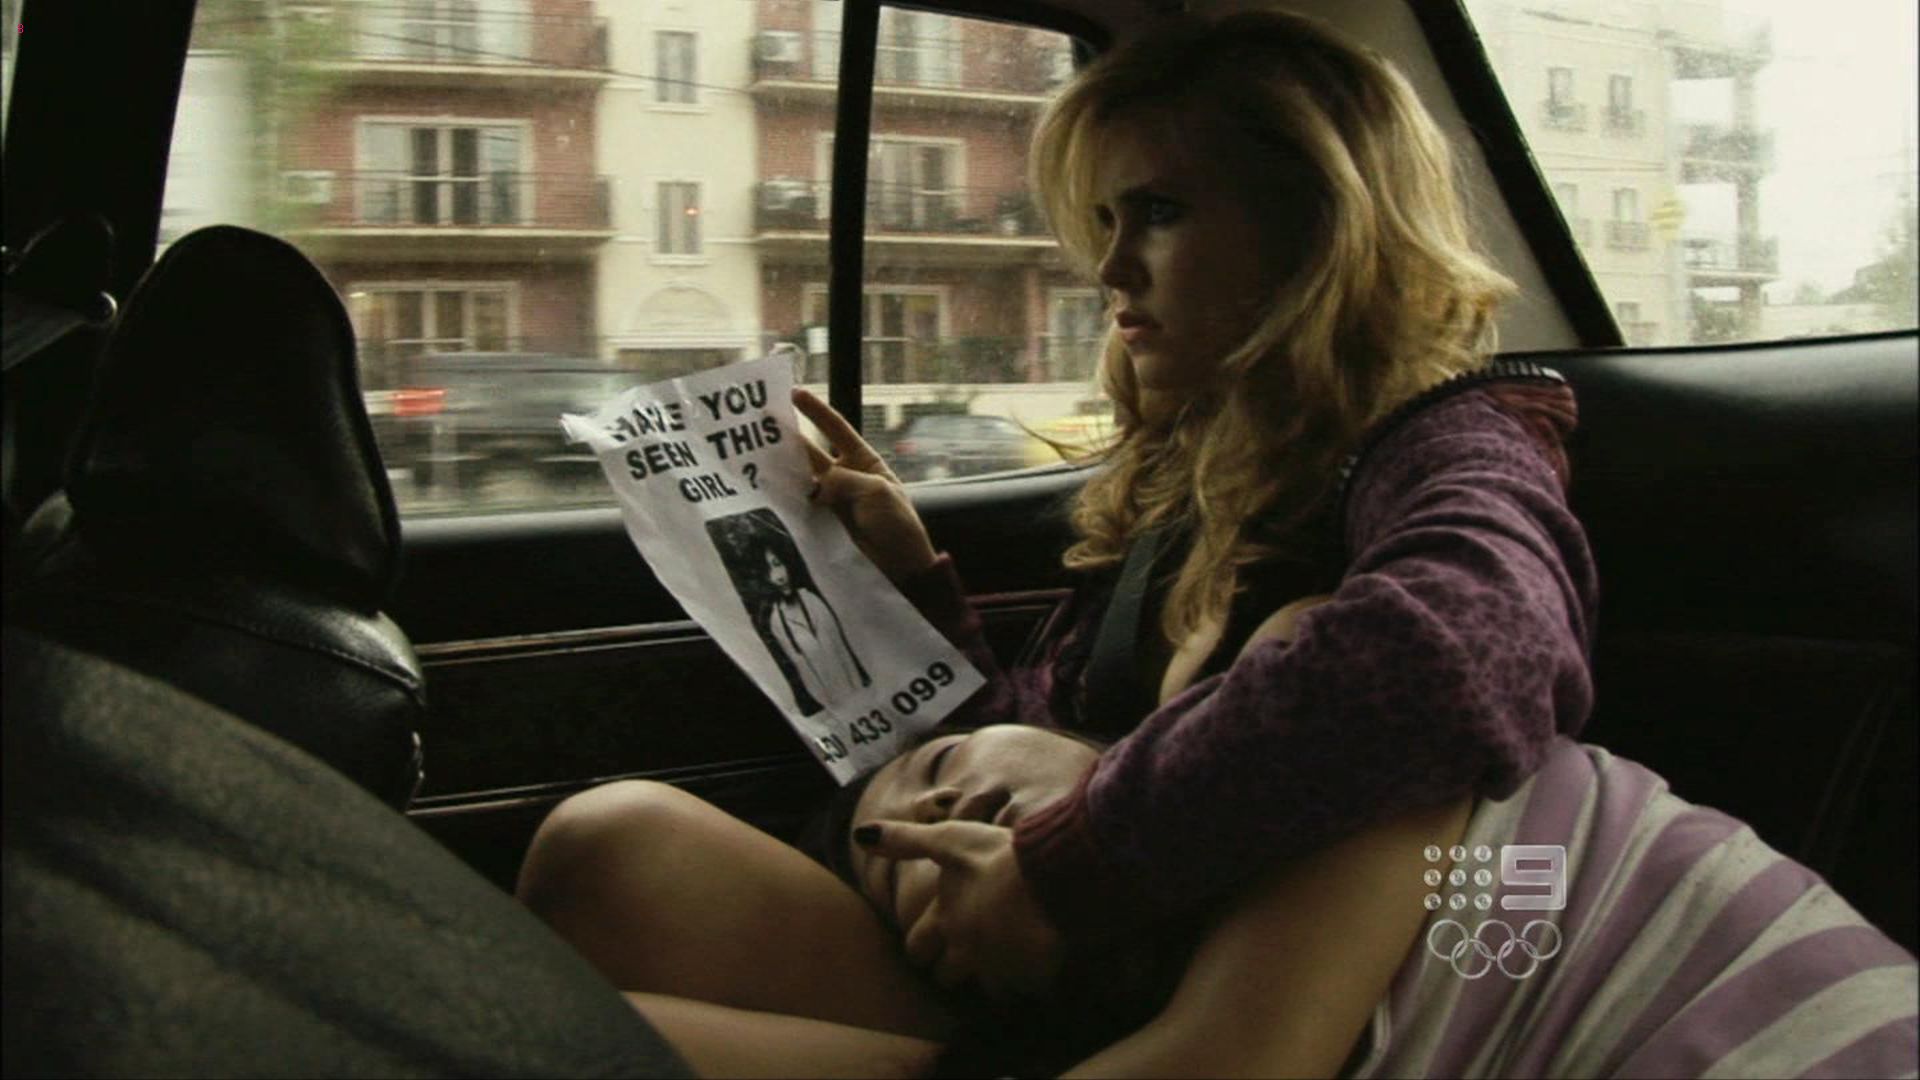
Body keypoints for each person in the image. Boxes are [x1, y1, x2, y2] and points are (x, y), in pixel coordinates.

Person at [516, 6, 1596, 1074]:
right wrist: (909, 585)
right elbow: (1032, 747)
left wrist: (1074, 863)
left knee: (544, 1051)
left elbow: (1463, 652)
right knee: (603, 846)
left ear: (1318, 226)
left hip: (1171, 1001)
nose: (1111, 268)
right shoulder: (1193, 461)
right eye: (1105, 221)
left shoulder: (1449, 442)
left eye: (1159, 212)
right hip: (1042, 962)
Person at [757, 541, 871, 712]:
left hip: (860, 692)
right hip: (836, 705)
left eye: (777, 564)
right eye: (768, 571)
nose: (778, 577)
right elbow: (804, 670)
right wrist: (833, 705)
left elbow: (842, 648)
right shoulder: (777, 622)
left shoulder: (812, 599)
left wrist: (860, 691)